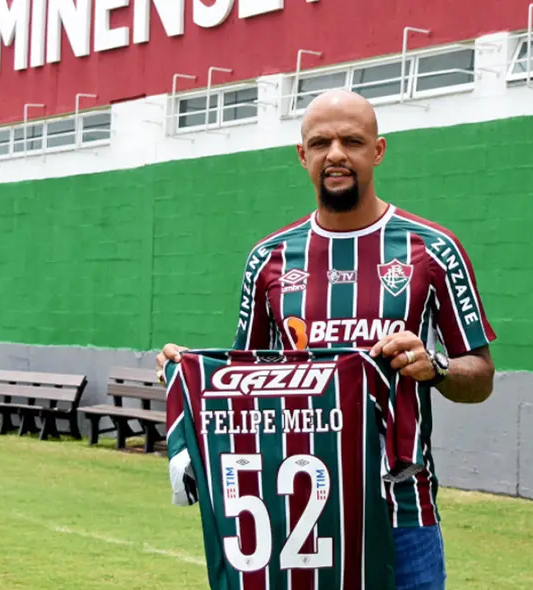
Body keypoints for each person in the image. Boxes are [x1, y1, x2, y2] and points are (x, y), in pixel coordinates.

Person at [156, 88, 496, 590]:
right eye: (321, 143)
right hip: (296, 516)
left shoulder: (432, 250)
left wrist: (437, 367)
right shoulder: (268, 258)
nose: (335, 154)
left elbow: (481, 376)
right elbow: (244, 387)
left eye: (351, 141)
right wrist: (188, 376)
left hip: (403, 513)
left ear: (377, 151)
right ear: (303, 156)